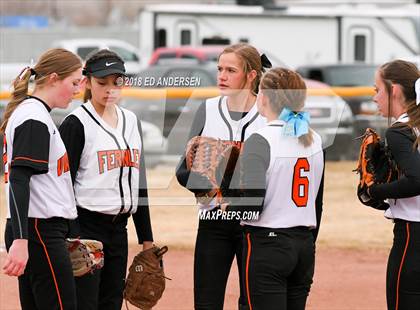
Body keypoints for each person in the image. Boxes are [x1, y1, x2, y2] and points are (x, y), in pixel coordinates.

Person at [176, 43, 271, 310]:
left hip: (254, 224)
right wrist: (206, 185)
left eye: (231, 70)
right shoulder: (207, 109)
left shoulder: (267, 114)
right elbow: (183, 169)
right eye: (220, 69)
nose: (222, 76)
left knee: (251, 302)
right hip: (213, 221)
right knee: (206, 302)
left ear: (252, 75)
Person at [58, 49, 154, 310]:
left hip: (119, 229)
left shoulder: (131, 121)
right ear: (87, 82)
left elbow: (138, 181)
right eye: (102, 82)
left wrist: (147, 237)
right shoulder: (76, 123)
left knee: (112, 301)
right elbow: (62, 185)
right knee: (85, 303)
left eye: (117, 82)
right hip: (87, 226)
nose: (110, 89)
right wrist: (74, 236)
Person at [228, 68, 325, 310]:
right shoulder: (314, 138)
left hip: (268, 246)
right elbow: (317, 203)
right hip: (304, 246)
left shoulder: (260, 139)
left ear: (266, 98)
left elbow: (252, 205)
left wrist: (226, 204)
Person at [1, 48, 83, 310]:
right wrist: (22, 240)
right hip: (38, 230)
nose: (77, 90)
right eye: (73, 82)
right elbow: (19, 180)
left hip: (36, 229)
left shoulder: (33, 114)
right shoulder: (34, 118)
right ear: (54, 78)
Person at [366, 59, 420, 310]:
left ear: (394, 90)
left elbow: (417, 180)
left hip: (413, 237)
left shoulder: (400, 130)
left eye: (378, 89)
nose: (375, 97)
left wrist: (374, 191)